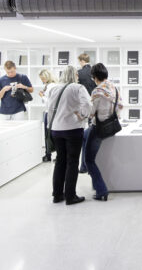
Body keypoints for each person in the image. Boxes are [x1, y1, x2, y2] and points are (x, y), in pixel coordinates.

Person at [45, 66, 92, 205]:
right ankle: (71, 195)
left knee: (60, 161)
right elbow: (88, 105)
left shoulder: (54, 89)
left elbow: (49, 108)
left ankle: (57, 194)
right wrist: (82, 116)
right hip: (72, 128)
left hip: (56, 129)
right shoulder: (78, 88)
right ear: (75, 75)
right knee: (72, 162)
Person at [84, 63, 122, 201]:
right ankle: (86, 170)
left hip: (99, 129)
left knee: (89, 160)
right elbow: (120, 107)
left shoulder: (97, 91)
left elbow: (91, 112)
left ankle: (101, 190)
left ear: (94, 77)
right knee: (84, 136)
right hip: (111, 126)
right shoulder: (114, 88)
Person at [76, 53, 97, 173]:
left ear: (81, 61)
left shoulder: (79, 73)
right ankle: (89, 164)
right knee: (91, 135)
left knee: (84, 137)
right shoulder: (94, 72)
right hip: (94, 106)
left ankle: (83, 165)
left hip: (83, 107)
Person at [38, 69, 57, 162]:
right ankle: (53, 154)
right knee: (53, 134)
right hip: (52, 113)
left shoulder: (50, 86)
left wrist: (42, 96)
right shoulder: (52, 85)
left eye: (42, 78)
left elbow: (50, 102)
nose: (42, 80)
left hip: (49, 113)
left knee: (48, 134)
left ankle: (48, 155)